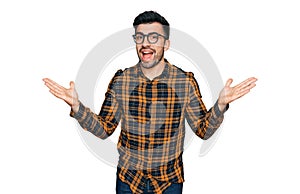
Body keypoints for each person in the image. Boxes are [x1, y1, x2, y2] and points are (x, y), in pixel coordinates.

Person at [43, 11, 257, 194]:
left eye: (154, 37)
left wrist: (220, 106)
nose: (145, 43)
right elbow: (104, 128)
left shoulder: (184, 81)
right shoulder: (122, 80)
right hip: (128, 181)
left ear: (167, 43)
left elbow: (203, 130)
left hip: (169, 182)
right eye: (140, 37)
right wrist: (77, 107)